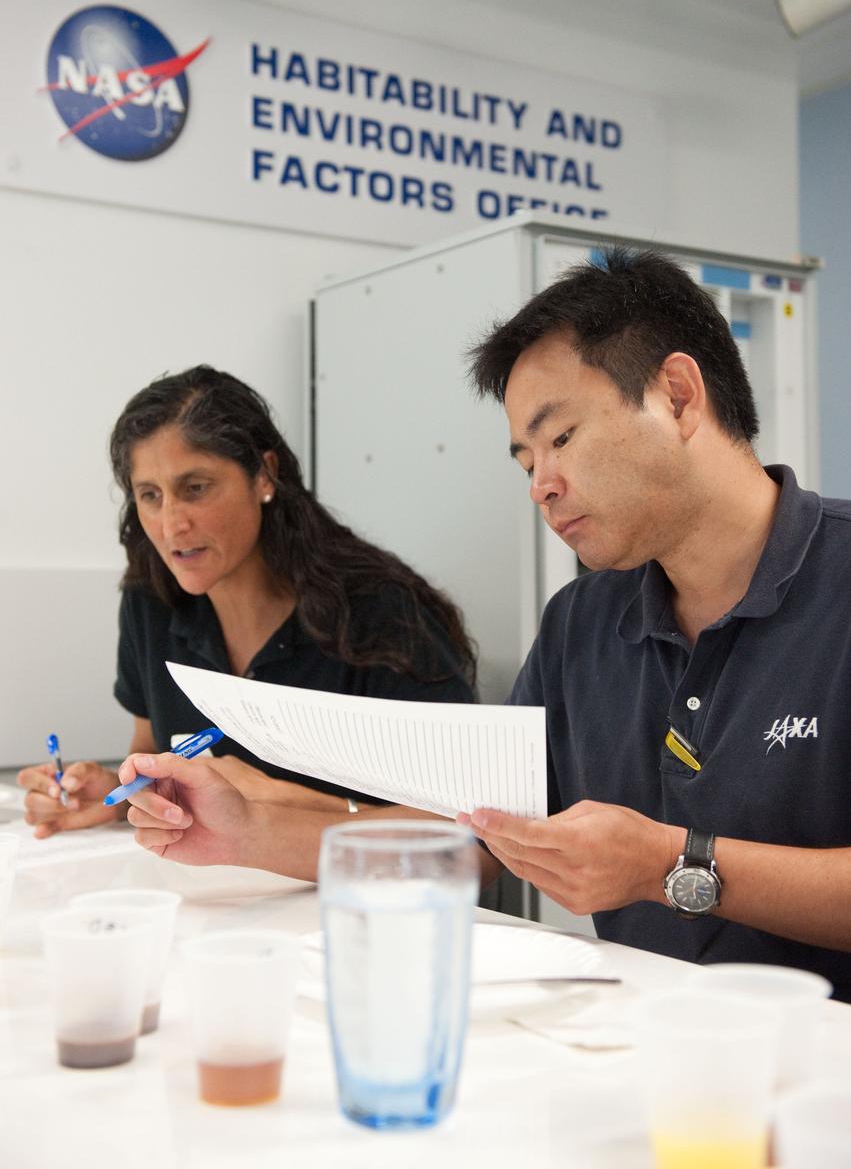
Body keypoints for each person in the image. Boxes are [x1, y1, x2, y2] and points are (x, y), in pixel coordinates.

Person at [458, 246, 851, 998]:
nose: (541, 486)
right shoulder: (579, 621)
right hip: (646, 1062)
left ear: (676, 395)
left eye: (561, 438)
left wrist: (667, 863)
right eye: (524, 461)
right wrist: (251, 822)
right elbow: (476, 835)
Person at [18, 365, 476, 852]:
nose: (172, 526)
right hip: (216, 905)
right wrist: (114, 794)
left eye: (195, 488)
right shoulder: (149, 599)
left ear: (264, 475)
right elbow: (151, 752)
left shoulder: (382, 615)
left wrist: (271, 800)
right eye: (150, 496)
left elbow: (471, 841)